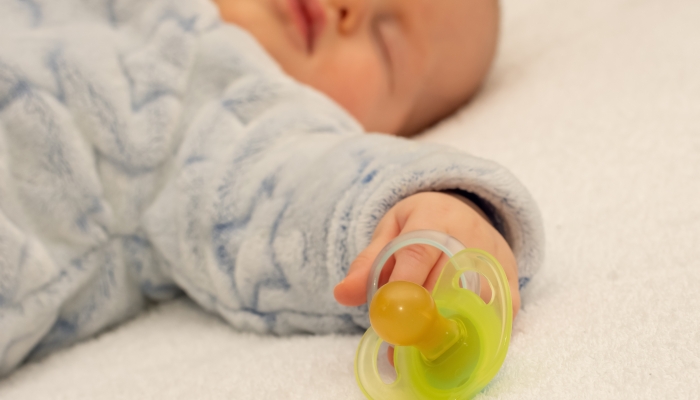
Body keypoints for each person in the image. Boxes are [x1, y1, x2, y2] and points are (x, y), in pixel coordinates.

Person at [0, 0, 542, 376]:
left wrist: (428, 209)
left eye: (385, 41)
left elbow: (309, 185)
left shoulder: (235, 113)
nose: (347, 9)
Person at [213, 0, 521, 312]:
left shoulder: (240, 142)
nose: (354, 6)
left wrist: (426, 216)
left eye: (385, 40)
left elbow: (307, 191)